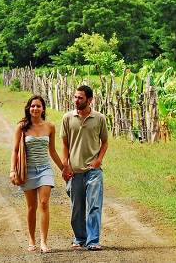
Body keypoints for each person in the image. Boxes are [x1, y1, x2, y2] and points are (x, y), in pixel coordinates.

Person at [10, 95, 65, 253]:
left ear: (43, 109)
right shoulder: (22, 127)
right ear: (28, 108)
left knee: (44, 203)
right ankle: (31, 240)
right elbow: (14, 151)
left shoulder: (50, 127)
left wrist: (63, 169)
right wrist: (12, 170)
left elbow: (52, 151)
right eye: (33, 106)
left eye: (38, 106)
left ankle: (44, 242)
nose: (35, 108)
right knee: (31, 207)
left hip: (45, 170)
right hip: (27, 171)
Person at [61, 85, 109, 251]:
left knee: (94, 206)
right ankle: (80, 238)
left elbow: (105, 142)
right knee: (77, 208)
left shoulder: (99, 118)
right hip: (74, 172)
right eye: (75, 97)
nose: (76, 100)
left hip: (93, 171)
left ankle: (93, 241)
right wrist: (65, 165)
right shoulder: (67, 118)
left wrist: (99, 160)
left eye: (80, 98)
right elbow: (65, 144)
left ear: (89, 100)